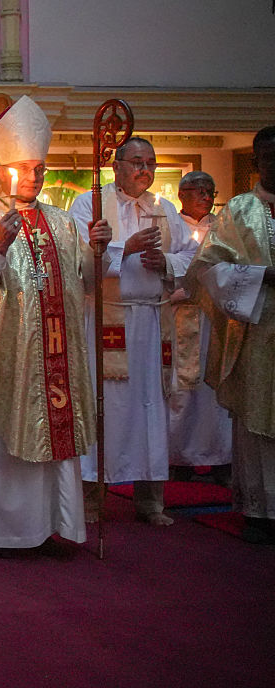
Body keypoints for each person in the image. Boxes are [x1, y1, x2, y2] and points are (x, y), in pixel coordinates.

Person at [0, 95, 107, 552]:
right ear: (6, 171)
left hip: (55, 356)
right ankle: (7, 533)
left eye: (41, 169)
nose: (36, 176)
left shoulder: (63, 222)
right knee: (1, 442)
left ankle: (56, 525)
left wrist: (96, 250)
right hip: (0, 356)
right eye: (27, 168)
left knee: (55, 435)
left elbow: (86, 283)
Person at [69, 137, 197, 526]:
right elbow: (76, 257)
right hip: (106, 319)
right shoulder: (88, 204)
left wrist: (167, 261)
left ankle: (150, 500)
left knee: (149, 409)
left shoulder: (165, 208)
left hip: (152, 321)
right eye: (137, 161)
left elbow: (193, 253)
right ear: (116, 166)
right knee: (105, 406)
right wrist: (125, 249)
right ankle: (92, 498)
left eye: (151, 163)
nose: (145, 169)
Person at [185, 125, 275, 544]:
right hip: (256, 332)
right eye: (269, 157)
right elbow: (207, 268)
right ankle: (260, 510)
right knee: (257, 419)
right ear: (256, 162)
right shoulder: (239, 210)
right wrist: (261, 277)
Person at [169, 172, 232, 483]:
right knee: (181, 390)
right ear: (183, 194)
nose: (207, 197)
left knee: (212, 390)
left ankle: (221, 458)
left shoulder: (223, 227)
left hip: (213, 318)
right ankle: (179, 459)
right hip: (177, 318)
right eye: (200, 191)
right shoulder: (169, 223)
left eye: (211, 191)